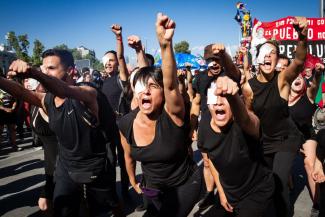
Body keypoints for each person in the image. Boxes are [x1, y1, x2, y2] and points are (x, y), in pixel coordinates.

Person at [1, 49, 122, 217]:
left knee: (108, 206)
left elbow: (64, 90)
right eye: (43, 68)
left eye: (50, 68)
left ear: (71, 71)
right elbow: (22, 92)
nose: (45, 72)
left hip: (94, 168)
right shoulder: (47, 99)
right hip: (65, 168)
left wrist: (34, 73)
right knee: (62, 210)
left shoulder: (88, 94)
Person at [119, 13, 202, 217]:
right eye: (142, 87)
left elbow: (171, 83)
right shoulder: (126, 122)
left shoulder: (172, 113)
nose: (146, 91)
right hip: (154, 189)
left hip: (185, 184)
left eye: (153, 86)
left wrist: (165, 44)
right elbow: (128, 156)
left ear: (163, 94)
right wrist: (131, 179)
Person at [242, 17, 308, 217]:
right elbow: (250, 118)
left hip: (287, 138)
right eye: (265, 52)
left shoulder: (282, 79)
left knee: (279, 182)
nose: (270, 56)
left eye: (274, 53)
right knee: (268, 183)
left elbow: (298, 61)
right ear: (258, 57)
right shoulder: (248, 88)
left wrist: (302, 37)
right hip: (266, 141)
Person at [199, 75, 274, 216]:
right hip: (230, 194)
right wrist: (221, 192)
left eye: (224, 96)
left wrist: (233, 97)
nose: (218, 103)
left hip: (257, 192)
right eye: (213, 97)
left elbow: (247, 120)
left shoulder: (244, 123)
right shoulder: (204, 126)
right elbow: (211, 160)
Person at [191, 43, 241, 210]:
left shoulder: (230, 75)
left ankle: (232, 191)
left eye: (217, 59)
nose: (214, 63)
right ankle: (209, 192)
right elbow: (196, 102)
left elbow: (235, 71)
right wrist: (193, 127)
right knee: (206, 162)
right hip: (206, 124)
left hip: (228, 126)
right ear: (205, 61)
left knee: (229, 161)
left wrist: (224, 54)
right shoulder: (199, 78)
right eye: (210, 59)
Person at [289, 61, 324, 215]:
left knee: (309, 163)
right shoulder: (281, 98)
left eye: (300, 76)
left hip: (306, 136)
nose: (297, 79)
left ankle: (317, 203)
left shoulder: (308, 95)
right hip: (287, 137)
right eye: (293, 77)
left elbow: (315, 84)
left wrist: (317, 73)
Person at [101, 24, 130, 197]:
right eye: (106, 62)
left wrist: (118, 37)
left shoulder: (122, 78)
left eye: (111, 61)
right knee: (110, 162)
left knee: (126, 161)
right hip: (108, 128)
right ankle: (112, 194)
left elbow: (120, 56)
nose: (108, 64)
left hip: (123, 125)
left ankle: (126, 192)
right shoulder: (103, 82)